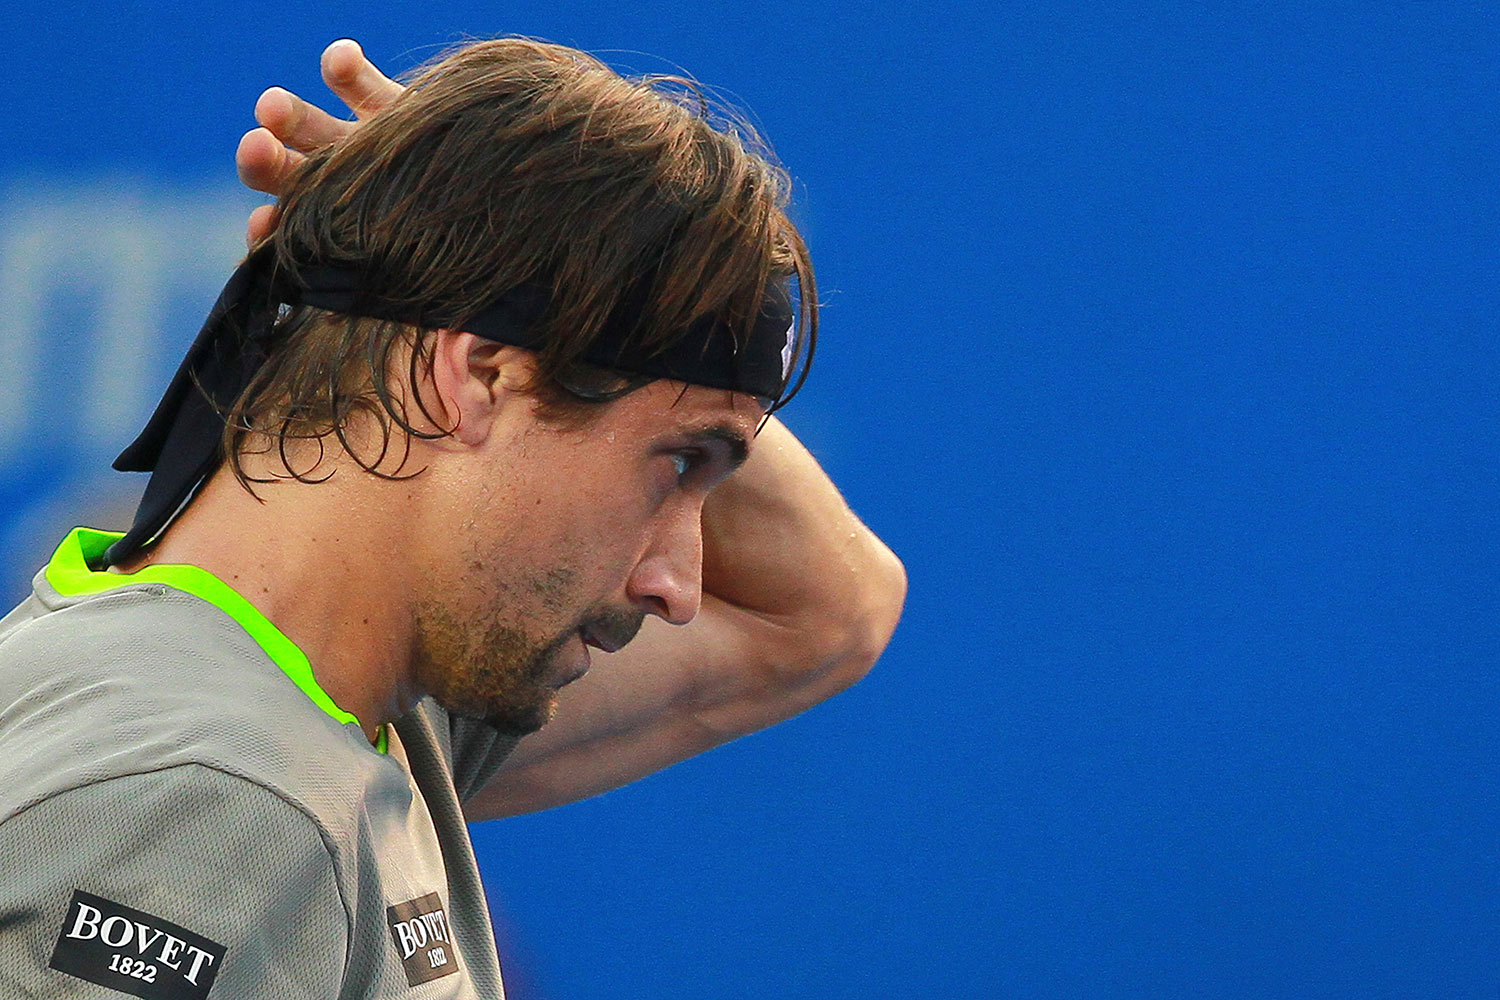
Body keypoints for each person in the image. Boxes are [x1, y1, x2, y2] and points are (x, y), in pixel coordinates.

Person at [0, 37, 905, 998]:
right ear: (475, 379)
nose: (677, 582)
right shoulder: (202, 805)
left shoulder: (342, 712)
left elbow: (827, 613)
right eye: (677, 464)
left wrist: (475, 238)